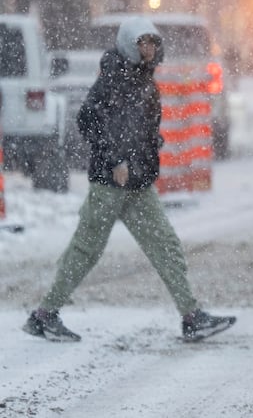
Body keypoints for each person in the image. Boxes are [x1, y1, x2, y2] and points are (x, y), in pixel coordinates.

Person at [22, 17, 236, 343]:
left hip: (138, 184)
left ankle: (191, 316)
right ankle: (44, 315)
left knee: (165, 246)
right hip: (110, 184)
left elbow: (137, 127)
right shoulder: (113, 79)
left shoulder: (144, 80)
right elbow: (90, 121)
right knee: (85, 251)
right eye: (142, 43)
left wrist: (150, 146)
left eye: (152, 43)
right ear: (127, 44)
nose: (148, 49)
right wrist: (115, 160)